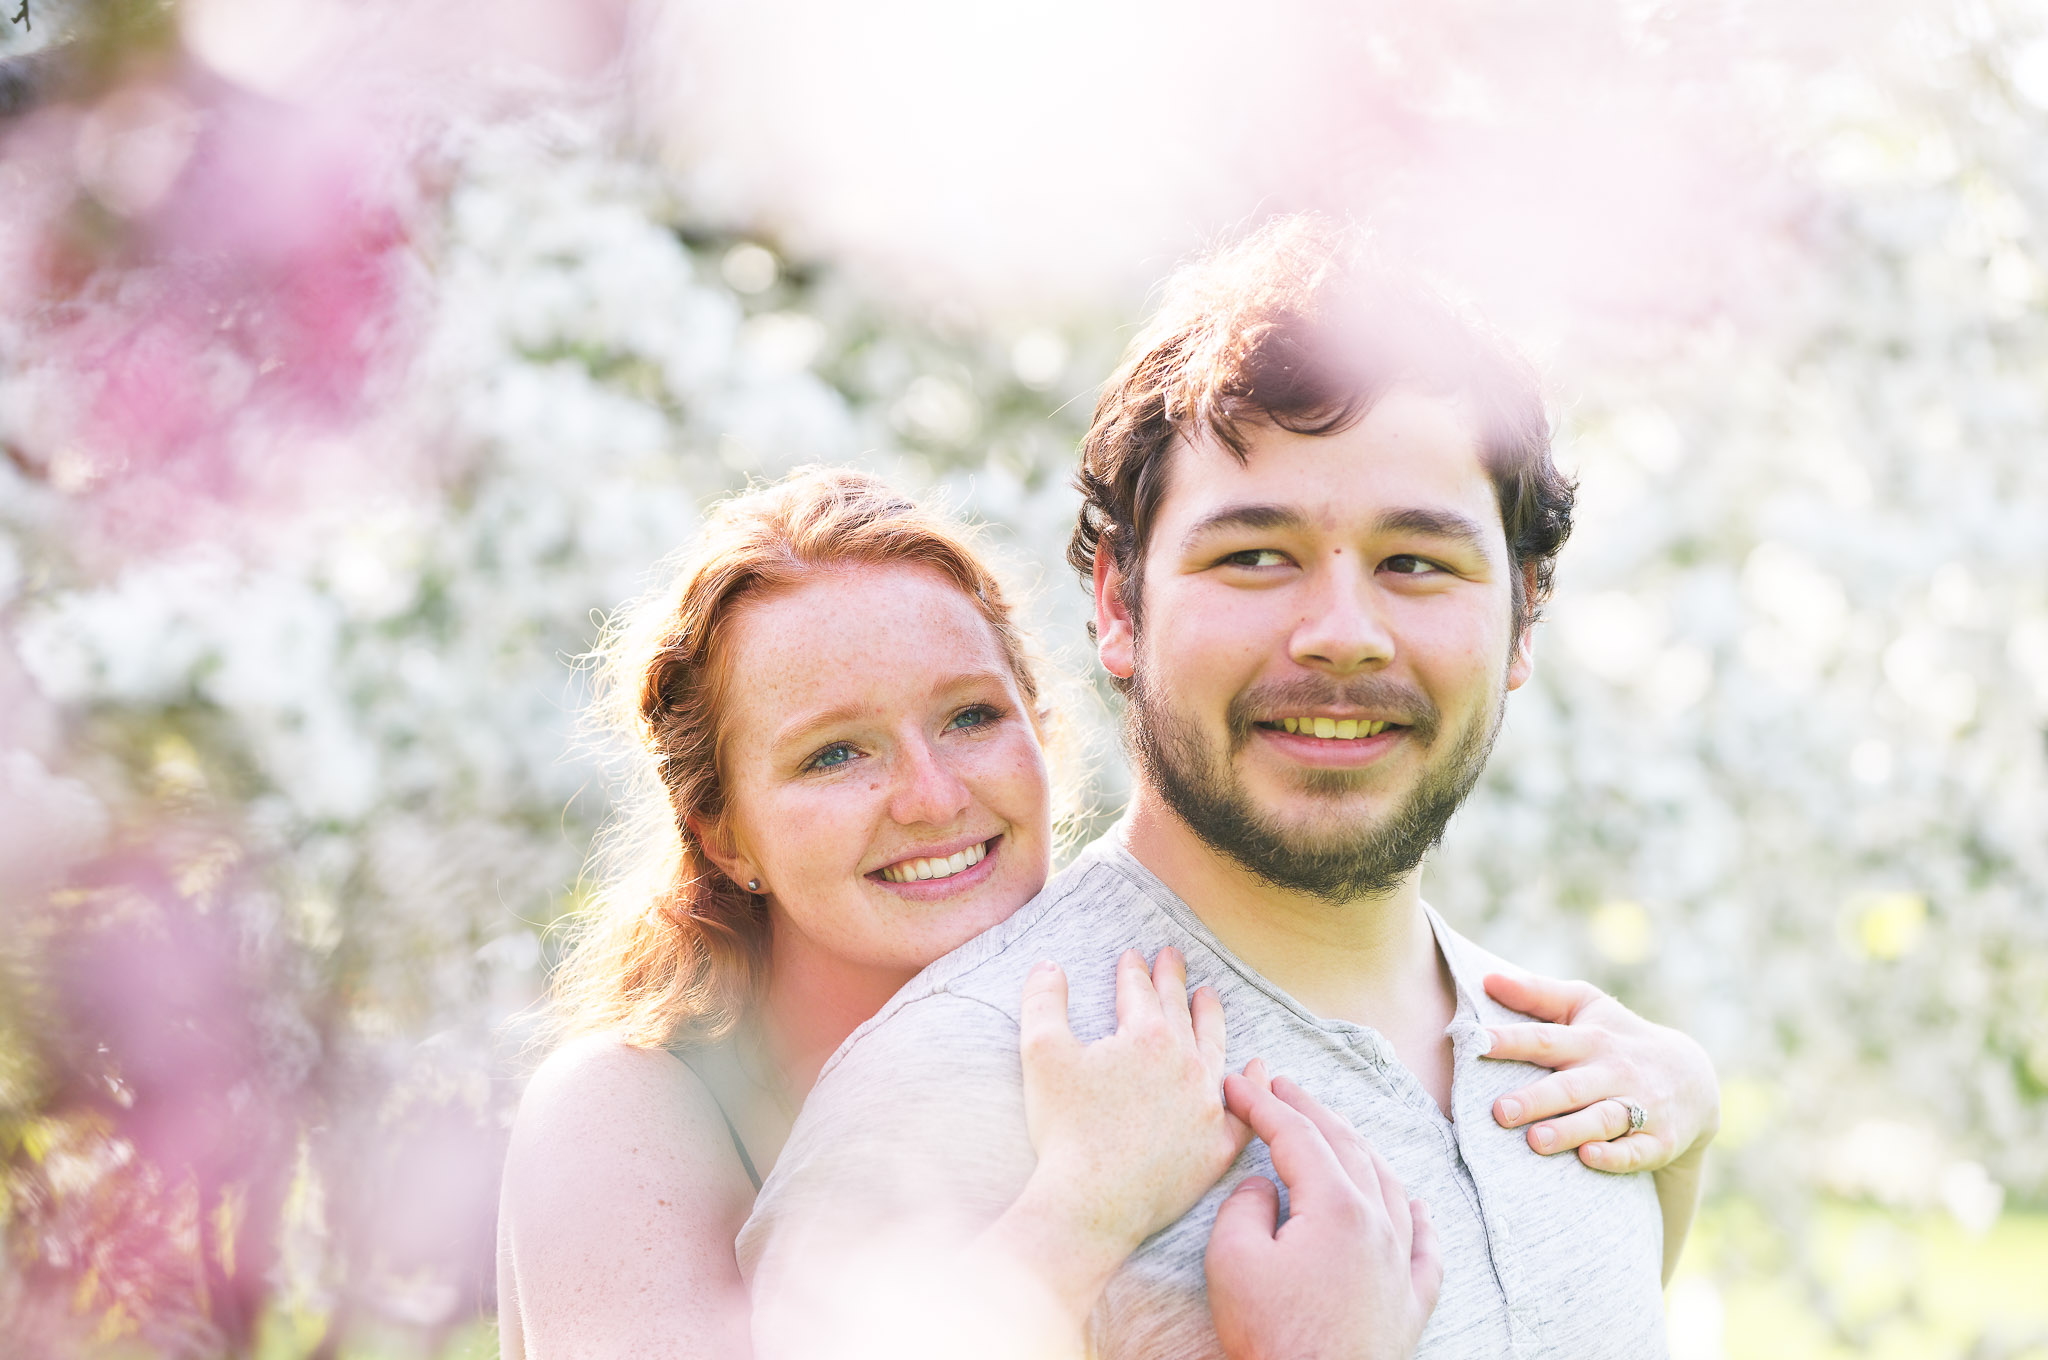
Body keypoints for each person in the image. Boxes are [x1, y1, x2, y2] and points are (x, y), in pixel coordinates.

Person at [737, 219, 1718, 1359]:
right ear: (1117, 601)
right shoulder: (952, 1092)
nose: (1341, 635)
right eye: (1253, 554)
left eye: (1415, 561)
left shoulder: (1594, 1080)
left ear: (1521, 618)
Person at [497, 464, 1713, 1359]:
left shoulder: (1129, 1026)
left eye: (971, 717)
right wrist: (1085, 1208)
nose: (930, 796)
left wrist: (1678, 1135)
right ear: (720, 831)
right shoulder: (627, 1106)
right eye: (833, 757)